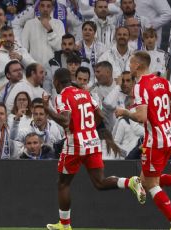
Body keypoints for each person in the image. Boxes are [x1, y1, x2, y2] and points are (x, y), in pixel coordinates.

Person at [44, 68, 145, 230]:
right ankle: (129, 181)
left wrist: (47, 108)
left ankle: (65, 225)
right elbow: (99, 115)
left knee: (63, 184)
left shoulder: (62, 96)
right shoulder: (86, 94)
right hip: (93, 142)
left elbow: (64, 120)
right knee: (99, 182)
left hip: (75, 143)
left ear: (56, 82)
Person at [115, 51, 171, 229]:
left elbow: (142, 117)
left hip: (155, 141)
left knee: (151, 184)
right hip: (169, 137)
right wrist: (161, 115)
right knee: (146, 180)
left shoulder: (140, 86)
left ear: (138, 65)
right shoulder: (162, 81)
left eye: (131, 62)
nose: (129, 66)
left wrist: (125, 112)